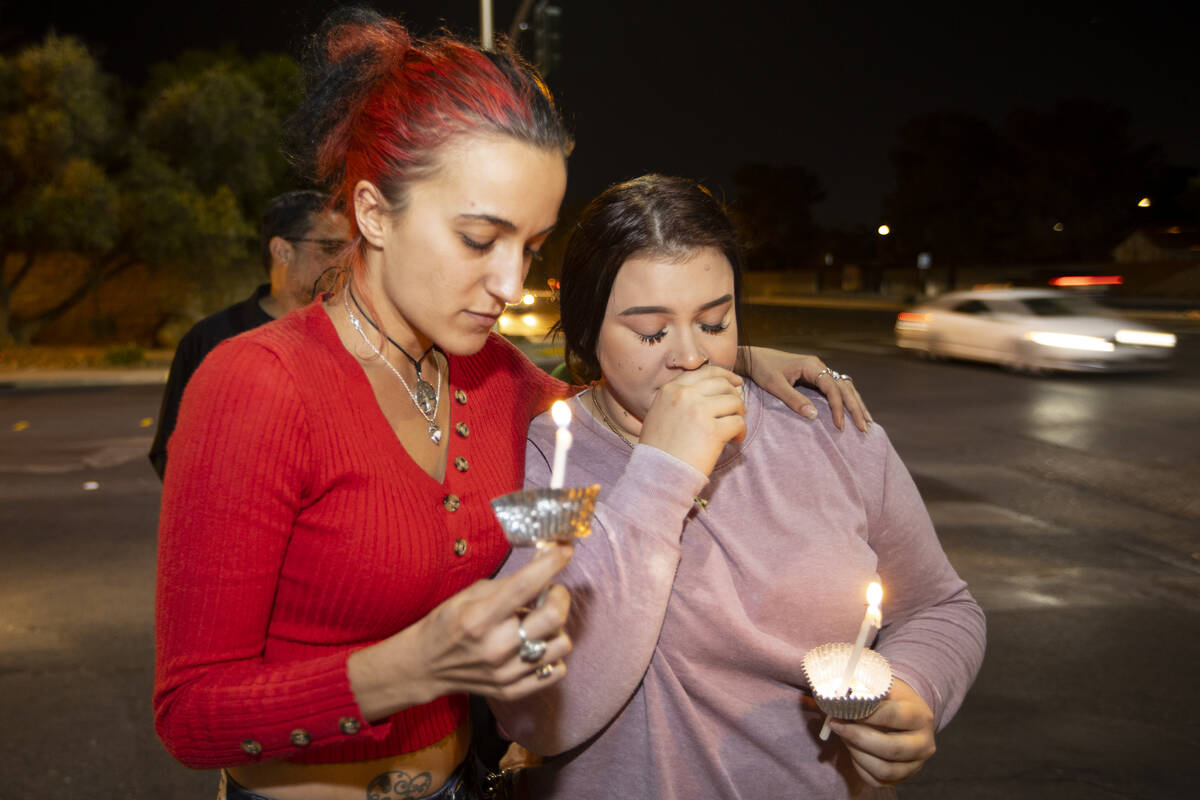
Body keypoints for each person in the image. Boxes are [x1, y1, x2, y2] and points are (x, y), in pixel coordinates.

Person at [153, 11, 869, 800]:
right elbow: (190, 716)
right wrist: (411, 668)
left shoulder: (499, 380)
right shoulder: (255, 385)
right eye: (478, 239)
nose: (510, 285)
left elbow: (612, 410)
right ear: (372, 213)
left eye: (529, 246)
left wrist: (712, 353)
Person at [491, 175, 987, 799]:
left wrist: (918, 688)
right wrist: (662, 471)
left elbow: (941, 606)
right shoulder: (548, 461)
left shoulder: (823, 427)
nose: (691, 358)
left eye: (715, 322)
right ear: (587, 333)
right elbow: (538, 715)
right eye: (651, 333)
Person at [148, 190, 350, 479]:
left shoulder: (355, 337)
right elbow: (172, 453)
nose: (344, 261)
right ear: (282, 251)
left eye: (350, 249)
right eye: (331, 247)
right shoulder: (212, 339)